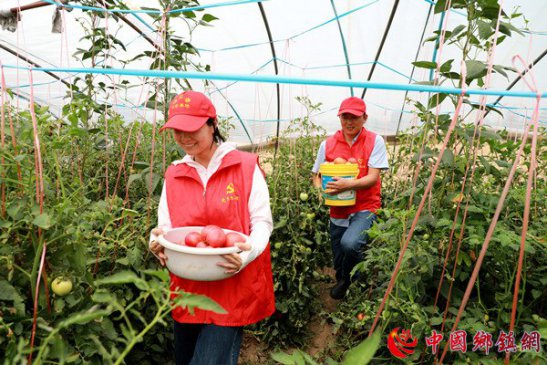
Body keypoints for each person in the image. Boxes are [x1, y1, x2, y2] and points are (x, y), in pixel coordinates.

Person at [149, 90, 275, 365]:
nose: (184, 137)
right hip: (188, 285)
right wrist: (156, 240)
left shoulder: (244, 166)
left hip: (231, 282)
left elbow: (262, 223)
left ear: (212, 124)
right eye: (177, 130)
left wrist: (246, 255)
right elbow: (165, 225)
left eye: (191, 128)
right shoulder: (175, 173)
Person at [312, 96, 389, 300]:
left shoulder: (374, 141)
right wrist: (321, 192)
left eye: (354, 117)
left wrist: (348, 184)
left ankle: (357, 280)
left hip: (365, 205)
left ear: (364, 118)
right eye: (345, 116)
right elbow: (316, 176)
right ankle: (344, 279)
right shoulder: (328, 144)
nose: (349, 122)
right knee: (338, 257)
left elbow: (373, 178)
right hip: (337, 208)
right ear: (340, 118)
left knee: (350, 243)